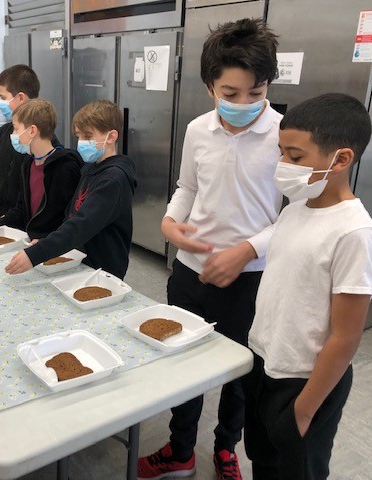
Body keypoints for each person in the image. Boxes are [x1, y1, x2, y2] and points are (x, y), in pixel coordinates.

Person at [138, 18, 282, 480]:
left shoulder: (286, 135)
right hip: (190, 271)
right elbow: (186, 188)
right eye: (230, 93)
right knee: (183, 362)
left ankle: (225, 450)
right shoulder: (199, 129)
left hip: (251, 277)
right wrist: (169, 222)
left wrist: (246, 250)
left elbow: (297, 217)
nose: (243, 104)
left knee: (239, 372)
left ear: (268, 86)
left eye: (255, 94)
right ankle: (180, 450)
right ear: (209, 87)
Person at [244, 93, 372, 480]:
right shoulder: (294, 210)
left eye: (295, 156)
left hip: (306, 383)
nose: (283, 165)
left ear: (340, 160)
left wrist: (305, 410)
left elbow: (345, 335)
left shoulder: (355, 233)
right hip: (266, 363)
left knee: (297, 470)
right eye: (281, 153)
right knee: (263, 458)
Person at [5, 99, 137, 279]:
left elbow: (82, 224)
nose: (81, 142)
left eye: (88, 137)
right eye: (79, 137)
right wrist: (47, 240)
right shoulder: (89, 168)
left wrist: (37, 253)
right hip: (79, 260)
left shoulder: (114, 180)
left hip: (102, 269)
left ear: (111, 137)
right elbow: (71, 215)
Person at [0, 99, 82, 239]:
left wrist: (47, 242)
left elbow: (69, 217)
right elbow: (21, 207)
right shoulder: (28, 163)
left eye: (16, 129)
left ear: (33, 130)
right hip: (32, 240)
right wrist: (0, 223)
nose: (13, 134)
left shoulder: (64, 167)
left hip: (52, 246)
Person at [0, 64, 44, 217]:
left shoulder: (40, 139)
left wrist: (15, 216)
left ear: (20, 97)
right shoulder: (3, 132)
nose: (0, 103)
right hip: (1, 213)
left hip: (24, 218)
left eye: (3, 98)